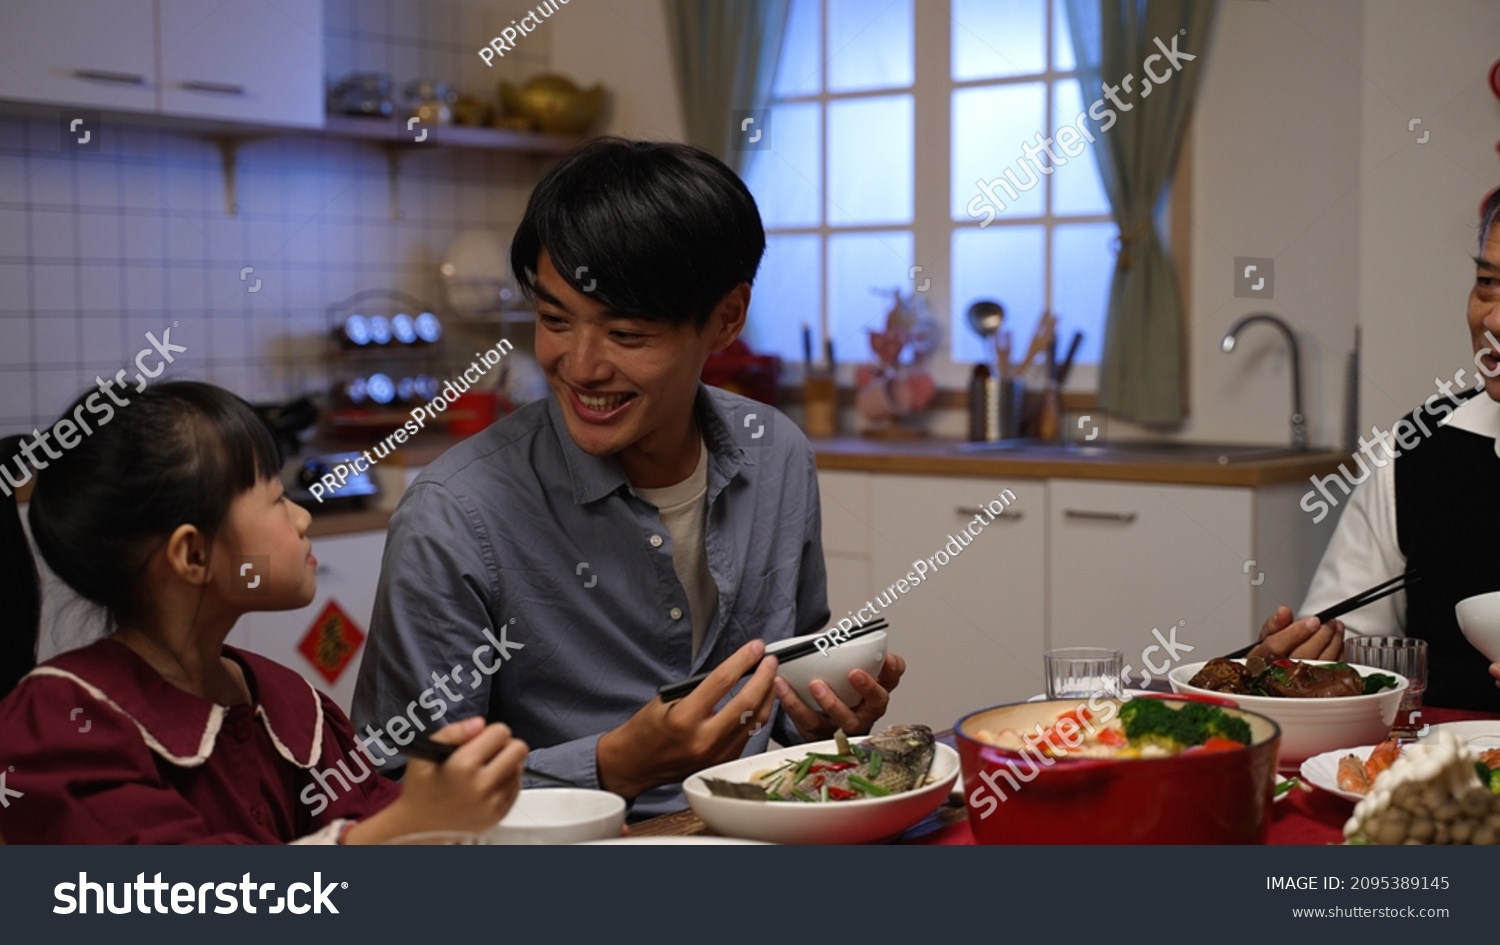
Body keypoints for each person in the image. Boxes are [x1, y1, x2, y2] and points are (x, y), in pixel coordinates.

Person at [353, 137, 906, 818]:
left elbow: (784, 715)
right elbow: (396, 796)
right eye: (555, 320)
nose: (580, 366)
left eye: (627, 334)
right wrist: (613, 766)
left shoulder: (777, 455)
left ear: (727, 317)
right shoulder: (455, 515)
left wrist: (820, 721)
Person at [0, 381, 527, 843]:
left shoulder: (293, 707)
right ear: (194, 555)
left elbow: (376, 815)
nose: (301, 518)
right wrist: (406, 826)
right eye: (276, 498)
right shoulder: (64, 725)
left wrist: (452, 802)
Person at [1252, 188, 1500, 711]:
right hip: (1431, 771)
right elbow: (1351, 646)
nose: (1493, 321)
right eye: (1487, 284)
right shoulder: (1418, 449)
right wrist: (1300, 670)